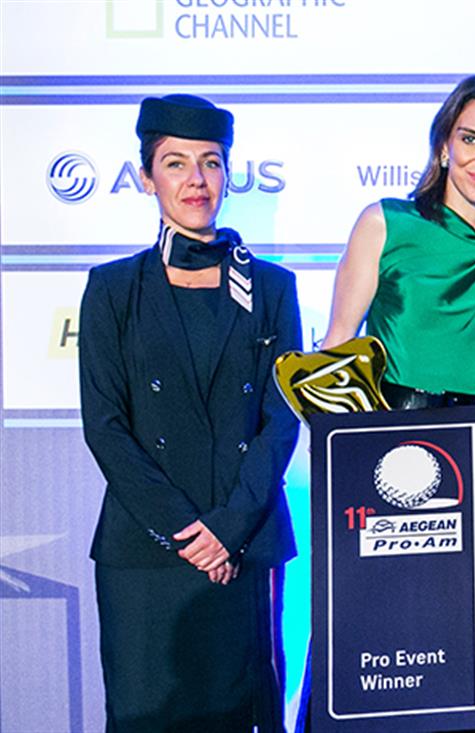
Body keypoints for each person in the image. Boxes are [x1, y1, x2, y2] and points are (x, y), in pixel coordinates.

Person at [79, 94, 301, 732]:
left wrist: (227, 530)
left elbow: (281, 418)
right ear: (146, 177)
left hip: (244, 542)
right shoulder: (112, 289)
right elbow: (106, 427)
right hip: (145, 552)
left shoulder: (272, 286)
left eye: (211, 162)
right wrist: (188, 533)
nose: (196, 180)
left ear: (229, 174)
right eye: (175, 163)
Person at [321, 74, 475, 408]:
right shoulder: (385, 225)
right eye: (470, 139)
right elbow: (337, 347)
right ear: (445, 146)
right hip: (396, 428)